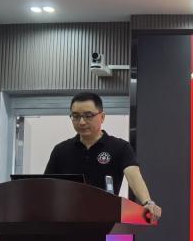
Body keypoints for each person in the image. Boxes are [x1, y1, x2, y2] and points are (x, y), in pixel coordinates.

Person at [44, 92, 162, 220]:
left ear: (102, 117)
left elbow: (133, 175)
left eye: (88, 116)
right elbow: (46, 186)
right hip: (66, 220)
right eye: (76, 116)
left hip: (106, 220)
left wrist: (147, 202)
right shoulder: (61, 150)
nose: (81, 122)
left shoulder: (120, 147)